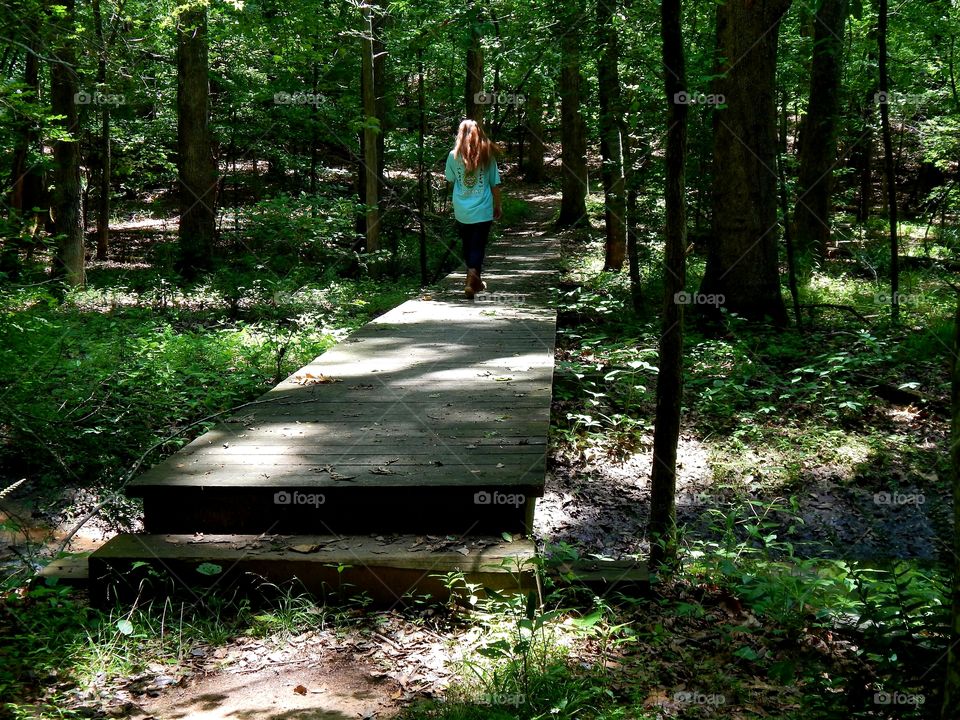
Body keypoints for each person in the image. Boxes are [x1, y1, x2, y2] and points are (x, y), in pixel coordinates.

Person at [444, 119, 502, 299]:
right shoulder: (488, 155)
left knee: (469, 245)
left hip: (462, 208)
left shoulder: (453, 156)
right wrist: (497, 204)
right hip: (483, 208)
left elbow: (450, 178)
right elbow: (495, 184)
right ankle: (471, 280)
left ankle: (475, 281)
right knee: (478, 245)